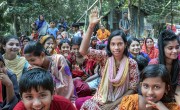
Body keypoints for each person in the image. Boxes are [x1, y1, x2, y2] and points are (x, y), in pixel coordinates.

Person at [79, 7, 139, 110]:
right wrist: (91, 26)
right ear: (109, 46)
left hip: (121, 101)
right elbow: (83, 51)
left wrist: (113, 104)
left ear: (125, 45)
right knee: (87, 105)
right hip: (101, 98)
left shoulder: (131, 63)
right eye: (113, 44)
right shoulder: (104, 57)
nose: (116, 48)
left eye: (120, 44)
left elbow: (132, 89)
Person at [149, 30, 180, 106]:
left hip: (173, 98)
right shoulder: (154, 64)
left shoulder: (179, 65)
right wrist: (159, 104)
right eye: (170, 48)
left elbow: (178, 90)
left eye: (177, 47)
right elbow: (150, 88)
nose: (175, 51)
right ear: (162, 49)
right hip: (154, 98)